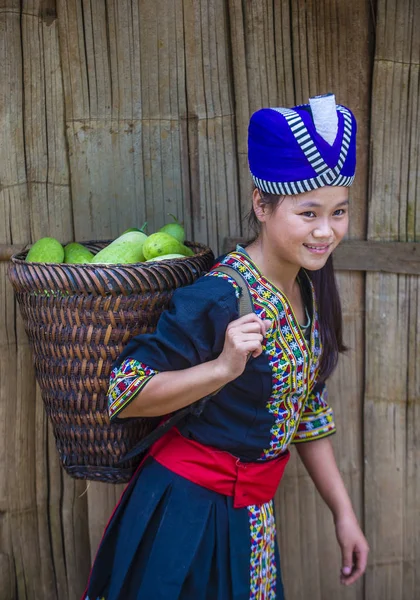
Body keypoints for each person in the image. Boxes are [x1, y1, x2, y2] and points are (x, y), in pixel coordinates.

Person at [83, 94, 369, 600]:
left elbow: (305, 410)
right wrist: (222, 368)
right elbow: (124, 391)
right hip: (186, 516)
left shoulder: (307, 287)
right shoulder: (218, 295)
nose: (326, 231)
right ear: (262, 205)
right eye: (308, 213)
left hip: (252, 516)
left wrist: (343, 514)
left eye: (339, 212)